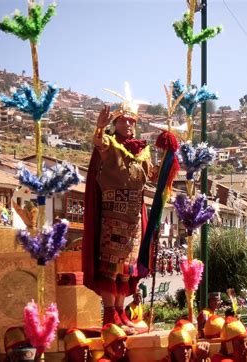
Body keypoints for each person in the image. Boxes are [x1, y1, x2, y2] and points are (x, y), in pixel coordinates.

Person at [82, 98, 154, 326]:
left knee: (127, 269)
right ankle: (110, 313)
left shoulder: (143, 151)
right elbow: (98, 141)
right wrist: (100, 126)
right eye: (124, 120)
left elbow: (150, 177)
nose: (129, 124)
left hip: (133, 218)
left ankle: (122, 312)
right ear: (116, 123)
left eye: (132, 121)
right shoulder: (110, 143)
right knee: (110, 267)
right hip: (113, 215)